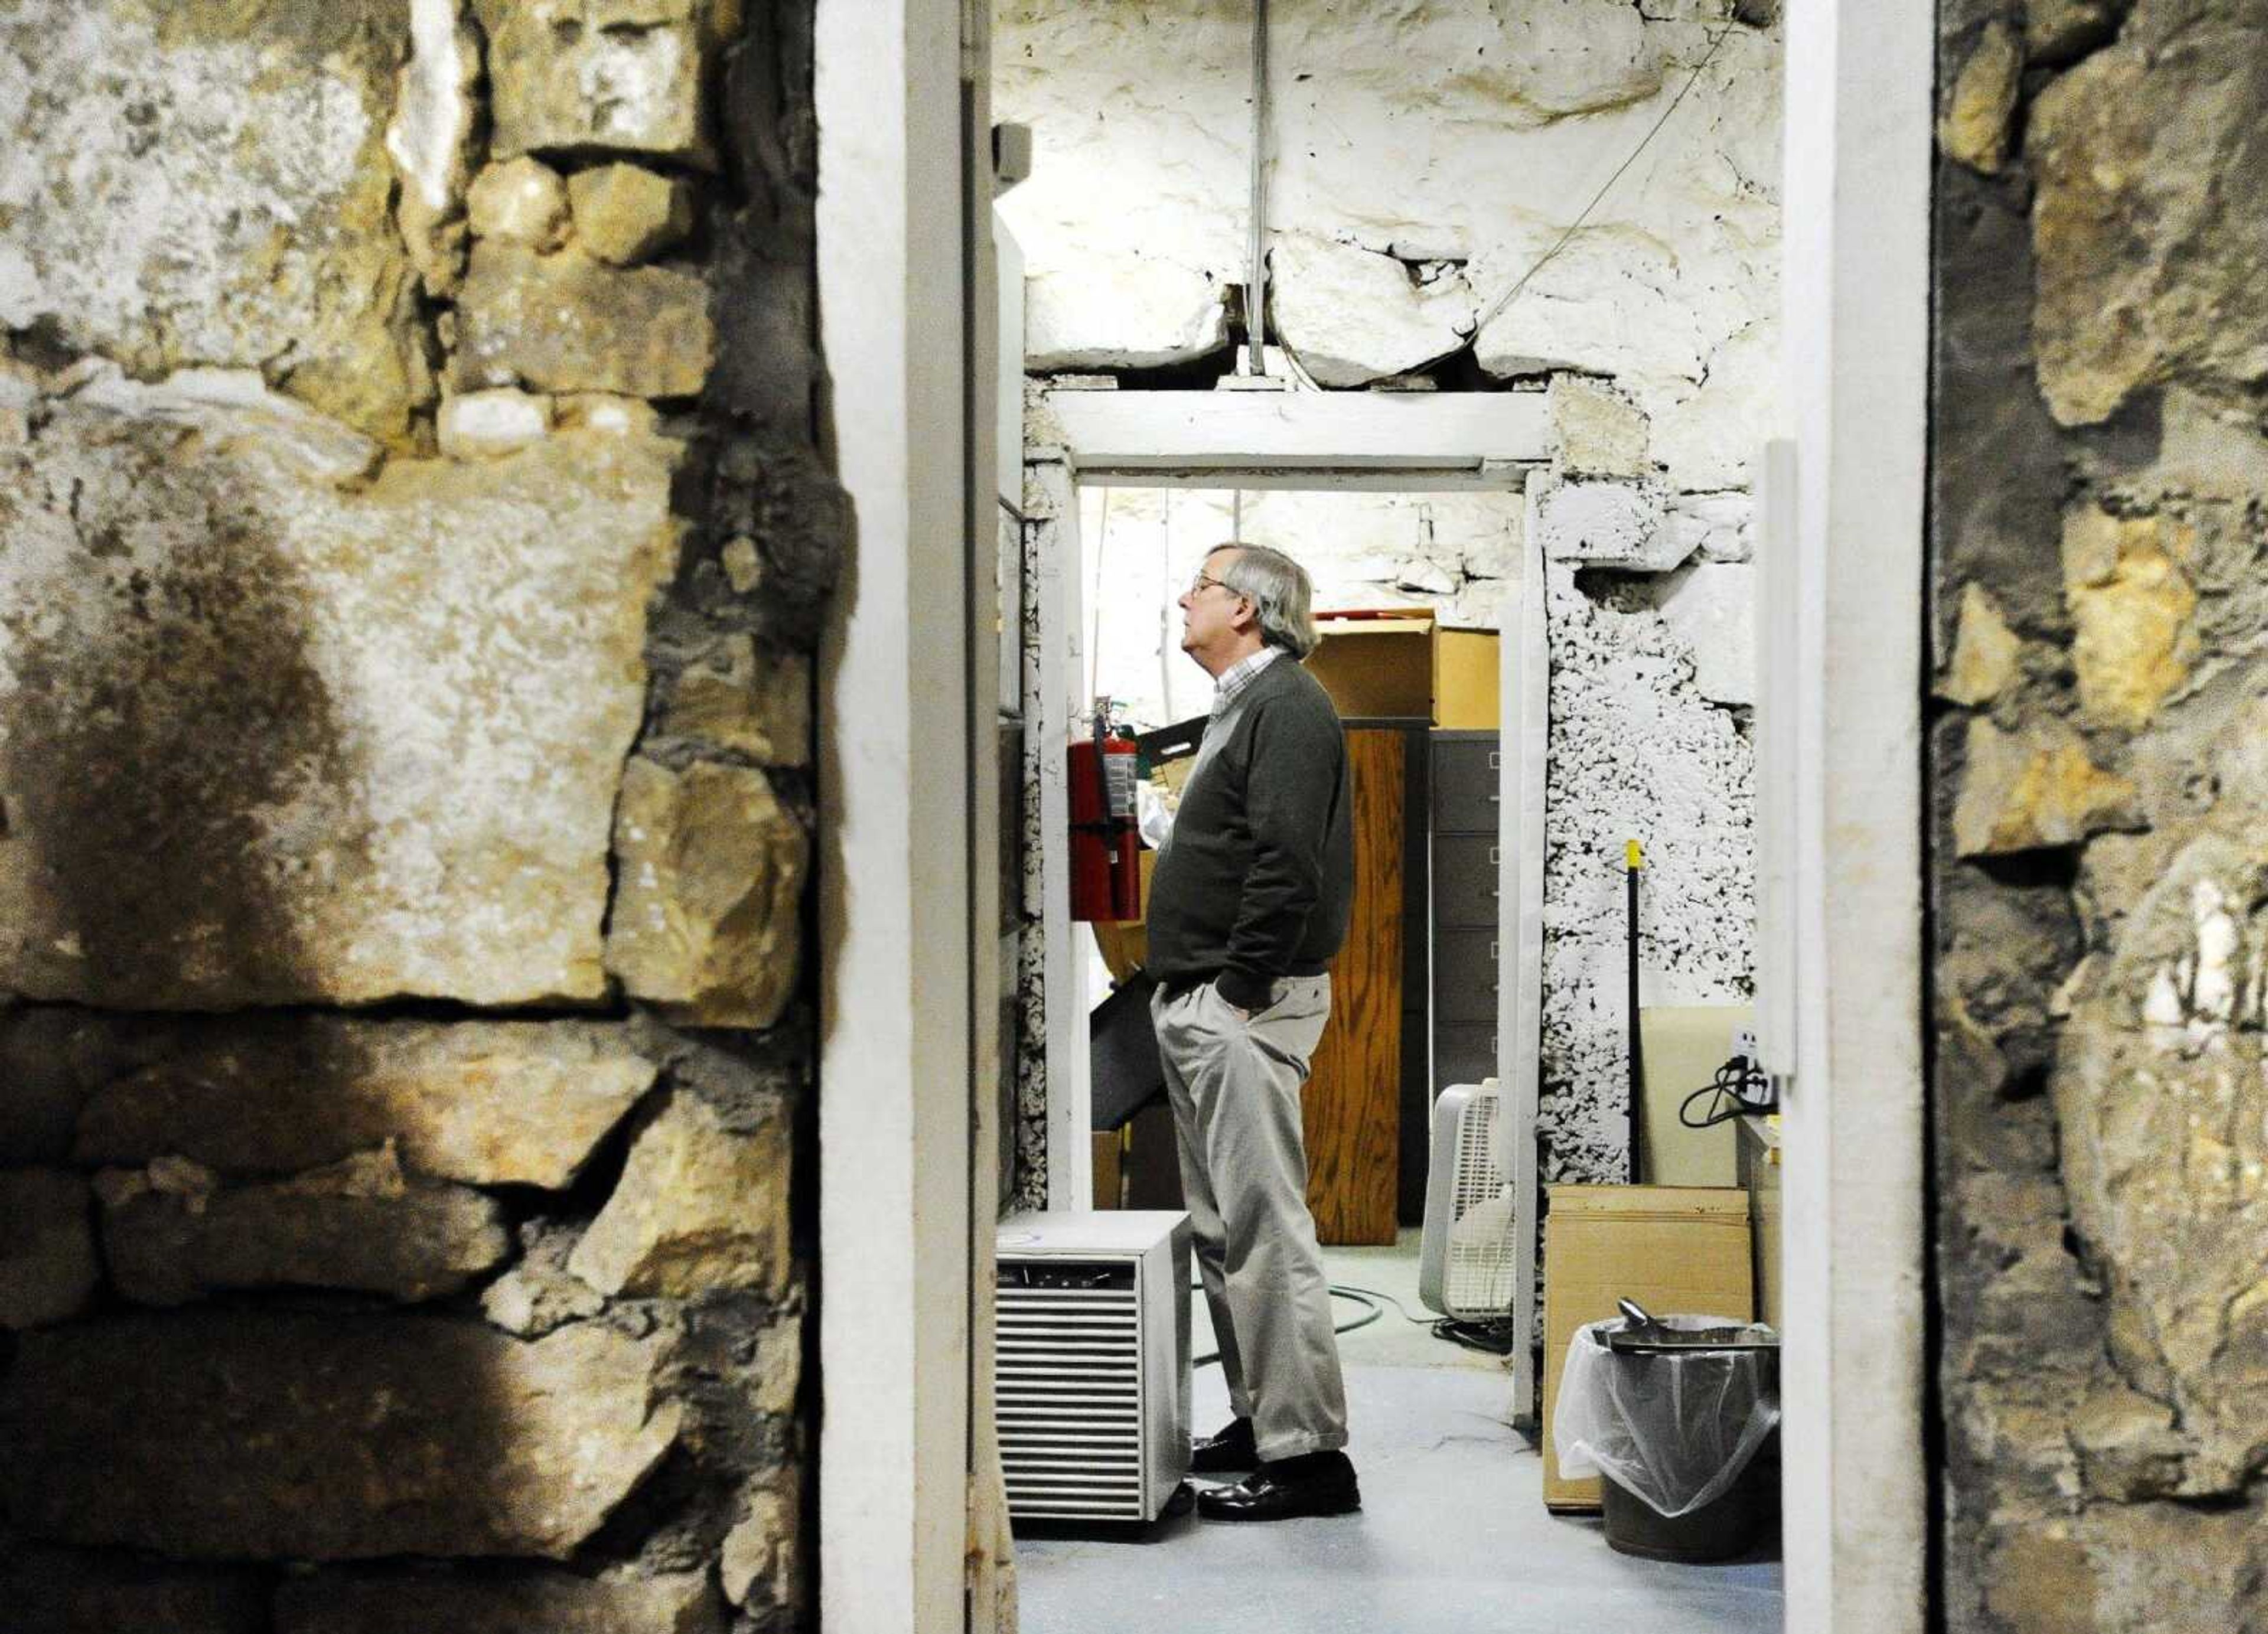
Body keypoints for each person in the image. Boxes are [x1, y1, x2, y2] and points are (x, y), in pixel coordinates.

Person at [1143, 541, 1359, 1522]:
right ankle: (1261, 1417)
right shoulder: (1243, 705)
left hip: (1242, 1006)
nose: (1183, 597)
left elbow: (1287, 862)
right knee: (1228, 1231)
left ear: (1251, 609)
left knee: (1267, 1234)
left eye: (1201, 585)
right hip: (1207, 1002)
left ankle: (1310, 1460)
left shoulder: (1289, 706)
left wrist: (1235, 988)